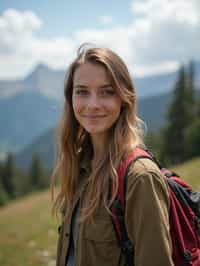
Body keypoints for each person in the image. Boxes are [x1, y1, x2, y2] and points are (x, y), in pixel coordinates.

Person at [51, 44, 174, 266]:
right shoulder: (80, 166)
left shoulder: (140, 178)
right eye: (82, 91)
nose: (93, 104)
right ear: (71, 98)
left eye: (107, 92)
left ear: (124, 98)